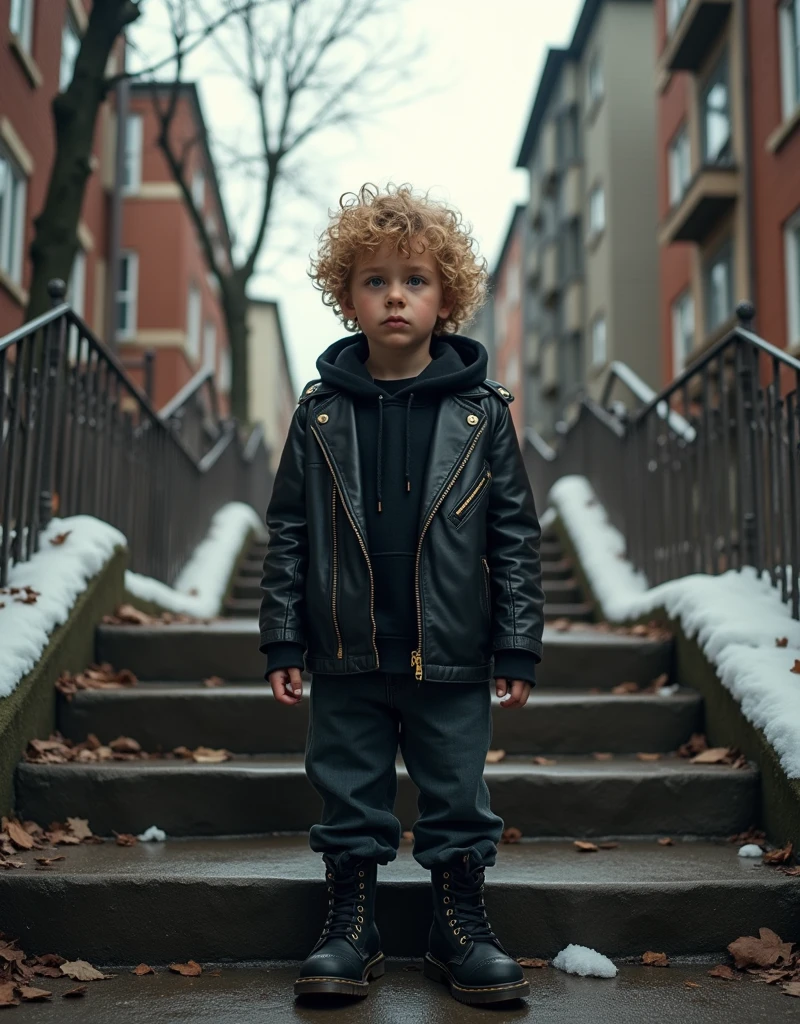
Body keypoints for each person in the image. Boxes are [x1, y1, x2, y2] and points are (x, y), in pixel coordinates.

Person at [259, 183, 545, 1006]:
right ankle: (353, 921)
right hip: (345, 650)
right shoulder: (317, 415)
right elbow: (288, 533)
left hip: (452, 650)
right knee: (347, 791)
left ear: (445, 296)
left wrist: (517, 642)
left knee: (456, 794)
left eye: (415, 280)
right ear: (347, 297)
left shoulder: (481, 414)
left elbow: (514, 537)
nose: (395, 296)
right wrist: (283, 640)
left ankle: (459, 923)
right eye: (376, 280)